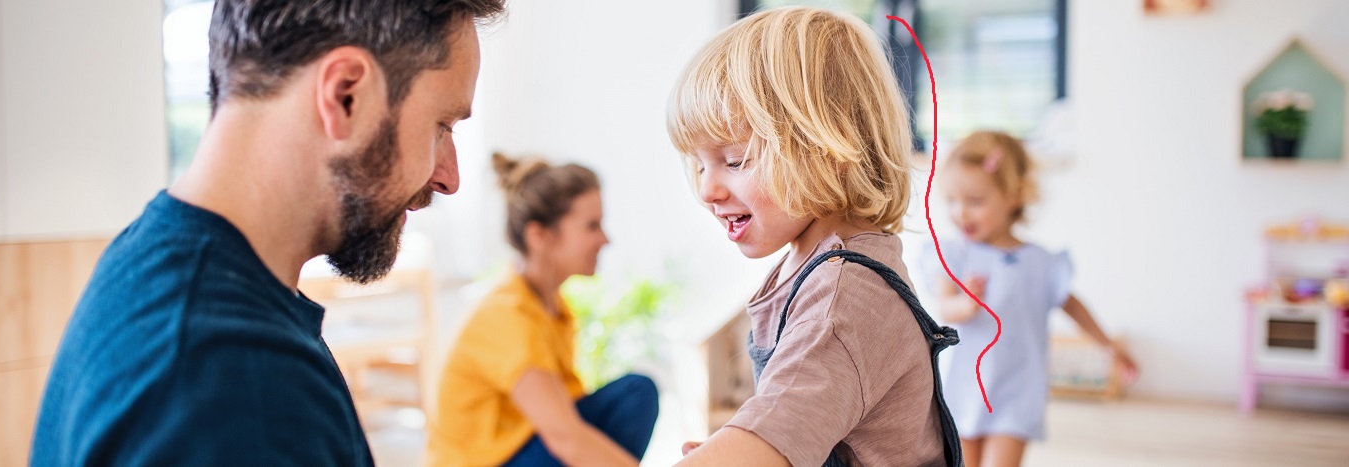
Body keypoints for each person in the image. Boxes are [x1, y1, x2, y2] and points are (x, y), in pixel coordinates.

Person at [30, 0, 505, 464]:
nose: (450, 177)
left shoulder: (150, 259)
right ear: (345, 95)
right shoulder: (236, 386)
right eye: (442, 125)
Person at [666, 6, 961, 466]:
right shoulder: (819, 269)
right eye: (700, 164)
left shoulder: (842, 300)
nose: (707, 189)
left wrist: (746, 450)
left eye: (736, 160)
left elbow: (768, 448)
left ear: (829, 148)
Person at [427, 153, 658, 466]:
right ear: (540, 236)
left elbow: (568, 415)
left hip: (526, 448)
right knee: (617, 406)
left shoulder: (552, 307)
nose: (605, 239)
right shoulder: (506, 316)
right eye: (592, 226)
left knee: (636, 394)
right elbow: (565, 438)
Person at [926, 130, 1139, 467]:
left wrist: (1107, 344)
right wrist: (965, 306)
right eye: (952, 200)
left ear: (1013, 196)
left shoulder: (1041, 262)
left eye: (975, 201)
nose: (960, 213)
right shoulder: (954, 255)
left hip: (1017, 392)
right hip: (965, 388)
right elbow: (944, 305)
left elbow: (1072, 304)